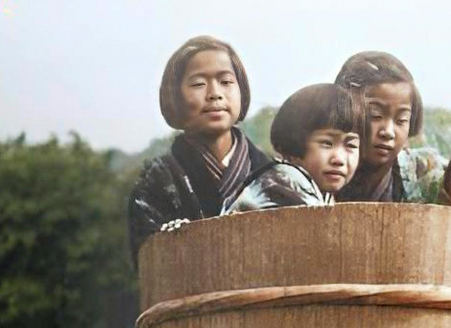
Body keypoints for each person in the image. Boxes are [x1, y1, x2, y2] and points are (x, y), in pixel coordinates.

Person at [127, 35, 269, 261]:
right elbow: (153, 268)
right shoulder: (155, 186)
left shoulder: (274, 175)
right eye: (198, 84)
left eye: (226, 82)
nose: (214, 93)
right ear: (175, 97)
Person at [224, 84, 362, 213]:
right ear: (294, 142)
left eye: (351, 145)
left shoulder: (322, 194)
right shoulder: (283, 181)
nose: (339, 159)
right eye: (326, 143)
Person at [334, 51, 443, 203]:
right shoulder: (316, 171)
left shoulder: (425, 173)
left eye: (401, 120)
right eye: (375, 115)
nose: (388, 132)